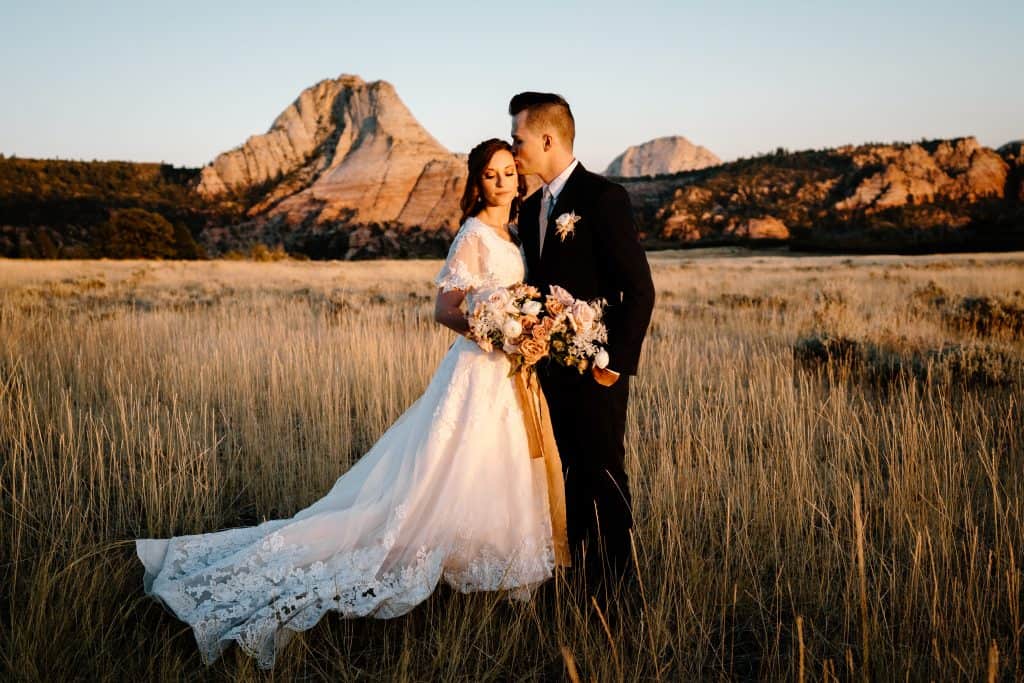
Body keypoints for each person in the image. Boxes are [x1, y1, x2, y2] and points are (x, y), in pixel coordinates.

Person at [135, 139, 563, 669]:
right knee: (432, 480)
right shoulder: (473, 234)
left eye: (508, 173)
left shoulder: (511, 234)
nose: (502, 182)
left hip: (507, 375)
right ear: (477, 183)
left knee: (488, 471)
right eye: (491, 175)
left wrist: (523, 331)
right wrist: (497, 333)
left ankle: (490, 572)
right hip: (478, 367)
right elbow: (444, 309)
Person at [510, 92, 656, 594]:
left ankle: (618, 596)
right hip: (545, 374)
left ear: (547, 139)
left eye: (519, 138)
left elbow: (639, 290)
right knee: (560, 480)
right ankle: (572, 587)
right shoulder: (530, 212)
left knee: (604, 479)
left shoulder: (603, 198)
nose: (514, 149)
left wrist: (612, 365)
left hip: (596, 370)